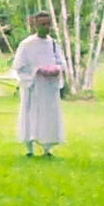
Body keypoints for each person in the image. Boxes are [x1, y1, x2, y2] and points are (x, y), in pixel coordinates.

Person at [13, 11, 66, 157]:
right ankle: (29, 147)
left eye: (48, 24)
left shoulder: (53, 44)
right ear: (35, 25)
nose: (45, 27)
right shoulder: (26, 44)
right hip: (33, 87)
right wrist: (35, 72)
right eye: (42, 24)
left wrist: (56, 70)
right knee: (30, 114)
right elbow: (19, 66)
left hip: (48, 88)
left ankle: (47, 148)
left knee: (48, 116)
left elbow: (61, 62)